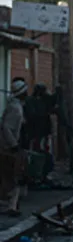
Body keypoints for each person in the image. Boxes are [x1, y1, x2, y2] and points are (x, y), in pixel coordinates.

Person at [1, 78, 29, 216]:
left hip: (11, 146)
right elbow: (6, 127)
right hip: (9, 147)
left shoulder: (16, 106)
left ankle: (12, 205)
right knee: (13, 176)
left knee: (13, 176)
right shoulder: (15, 108)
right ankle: (11, 205)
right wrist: (13, 145)